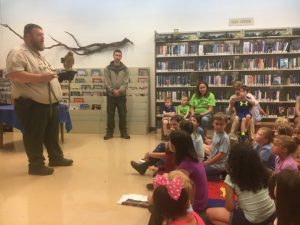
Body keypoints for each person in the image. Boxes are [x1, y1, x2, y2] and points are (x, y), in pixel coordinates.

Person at [6, 24, 73, 176]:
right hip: (31, 104)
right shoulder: (18, 52)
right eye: (39, 35)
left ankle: (56, 158)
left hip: (48, 103)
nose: (43, 37)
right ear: (28, 36)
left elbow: (46, 77)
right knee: (34, 135)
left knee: (51, 133)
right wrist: (41, 78)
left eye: (43, 34)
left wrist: (58, 77)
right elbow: (14, 75)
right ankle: (36, 165)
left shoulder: (37, 54)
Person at [206, 143, 276, 225]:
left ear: (232, 159)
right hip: (272, 212)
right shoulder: (264, 170)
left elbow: (230, 207)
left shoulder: (231, 177)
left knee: (209, 213)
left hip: (253, 220)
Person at [169, 130, 208, 215]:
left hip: (196, 204)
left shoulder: (186, 164)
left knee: (157, 202)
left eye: (170, 142)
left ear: (176, 146)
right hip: (202, 201)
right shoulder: (192, 157)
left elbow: (178, 188)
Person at [103, 49, 130, 140]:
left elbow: (126, 82)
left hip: (121, 96)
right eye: (116, 55)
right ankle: (109, 133)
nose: (118, 57)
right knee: (110, 114)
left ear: (121, 57)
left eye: (119, 55)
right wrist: (112, 90)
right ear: (113, 56)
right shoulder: (107, 69)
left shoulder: (125, 69)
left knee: (123, 114)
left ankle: (124, 132)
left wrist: (119, 91)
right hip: (111, 96)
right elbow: (107, 81)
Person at [204, 112, 230, 181]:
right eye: (216, 124)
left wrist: (208, 162)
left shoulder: (225, 138)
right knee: (199, 168)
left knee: (201, 174)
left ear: (225, 125)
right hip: (212, 161)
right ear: (213, 123)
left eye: (221, 124)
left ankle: (221, 176)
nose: (218, 126)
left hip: (219, 165)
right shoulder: (215, 132)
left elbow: (221, 155)